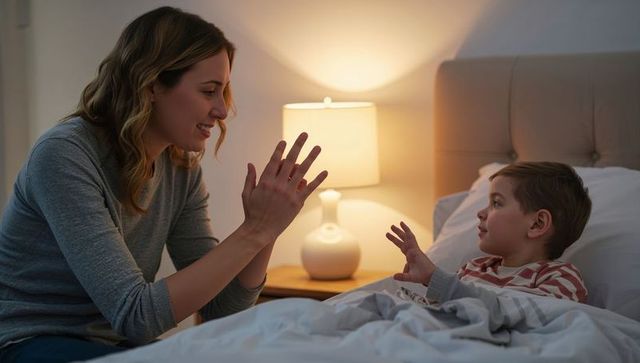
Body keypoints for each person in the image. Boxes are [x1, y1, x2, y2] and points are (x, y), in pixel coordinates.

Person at [0, 6, 327, 363]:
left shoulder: (179, 167)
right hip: (28, 339)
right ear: (152, 84)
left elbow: (222, 311)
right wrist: (253, 230)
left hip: (111, 344)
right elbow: (136, 315)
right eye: (209, 91)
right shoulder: (64, 156)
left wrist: (267, 231)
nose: (222, 110)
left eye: (224, 92)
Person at [386, 161, 591, 306]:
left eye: (496, 203)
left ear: (537, 224)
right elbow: (441, 315)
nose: (480, 213)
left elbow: (517, 313)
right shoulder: (473, 269)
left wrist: (435, 278)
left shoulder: (561, 278)